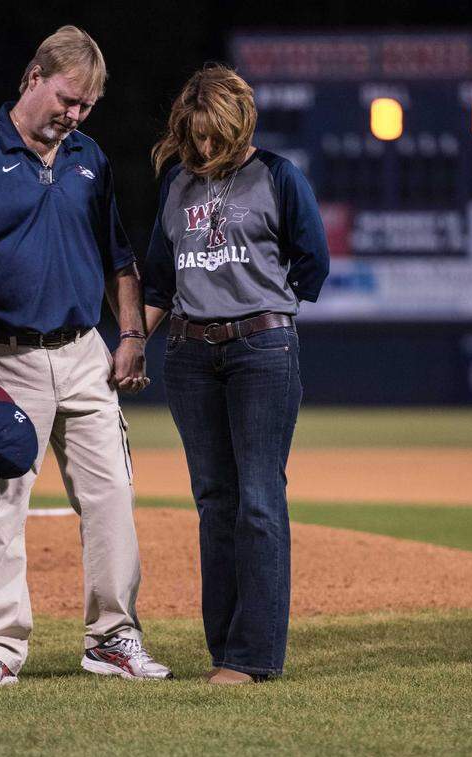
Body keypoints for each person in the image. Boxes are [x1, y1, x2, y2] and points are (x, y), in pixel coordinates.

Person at [0, 25, 170, 687]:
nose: (74, 115)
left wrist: (133, 336)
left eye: (86, 107)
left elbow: (120, 261)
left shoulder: (90, 159)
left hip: (85, 353)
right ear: (34, 77)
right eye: (66, 99)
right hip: (1, 358)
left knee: (112, 496)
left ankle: (113, 638)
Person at [142, 65, 329, 684]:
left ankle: (253, 658)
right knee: (214, 503)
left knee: (258, 501)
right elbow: (160, 280)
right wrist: (128, 342)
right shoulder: (176, 183)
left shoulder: (278, 175)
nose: (201, 148)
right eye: (192, 135)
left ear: (239, 124)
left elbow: (313, 262)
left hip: (260, 353)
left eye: (212, 135)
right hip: (190, 356)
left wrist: (265, 304)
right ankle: (226, 649)